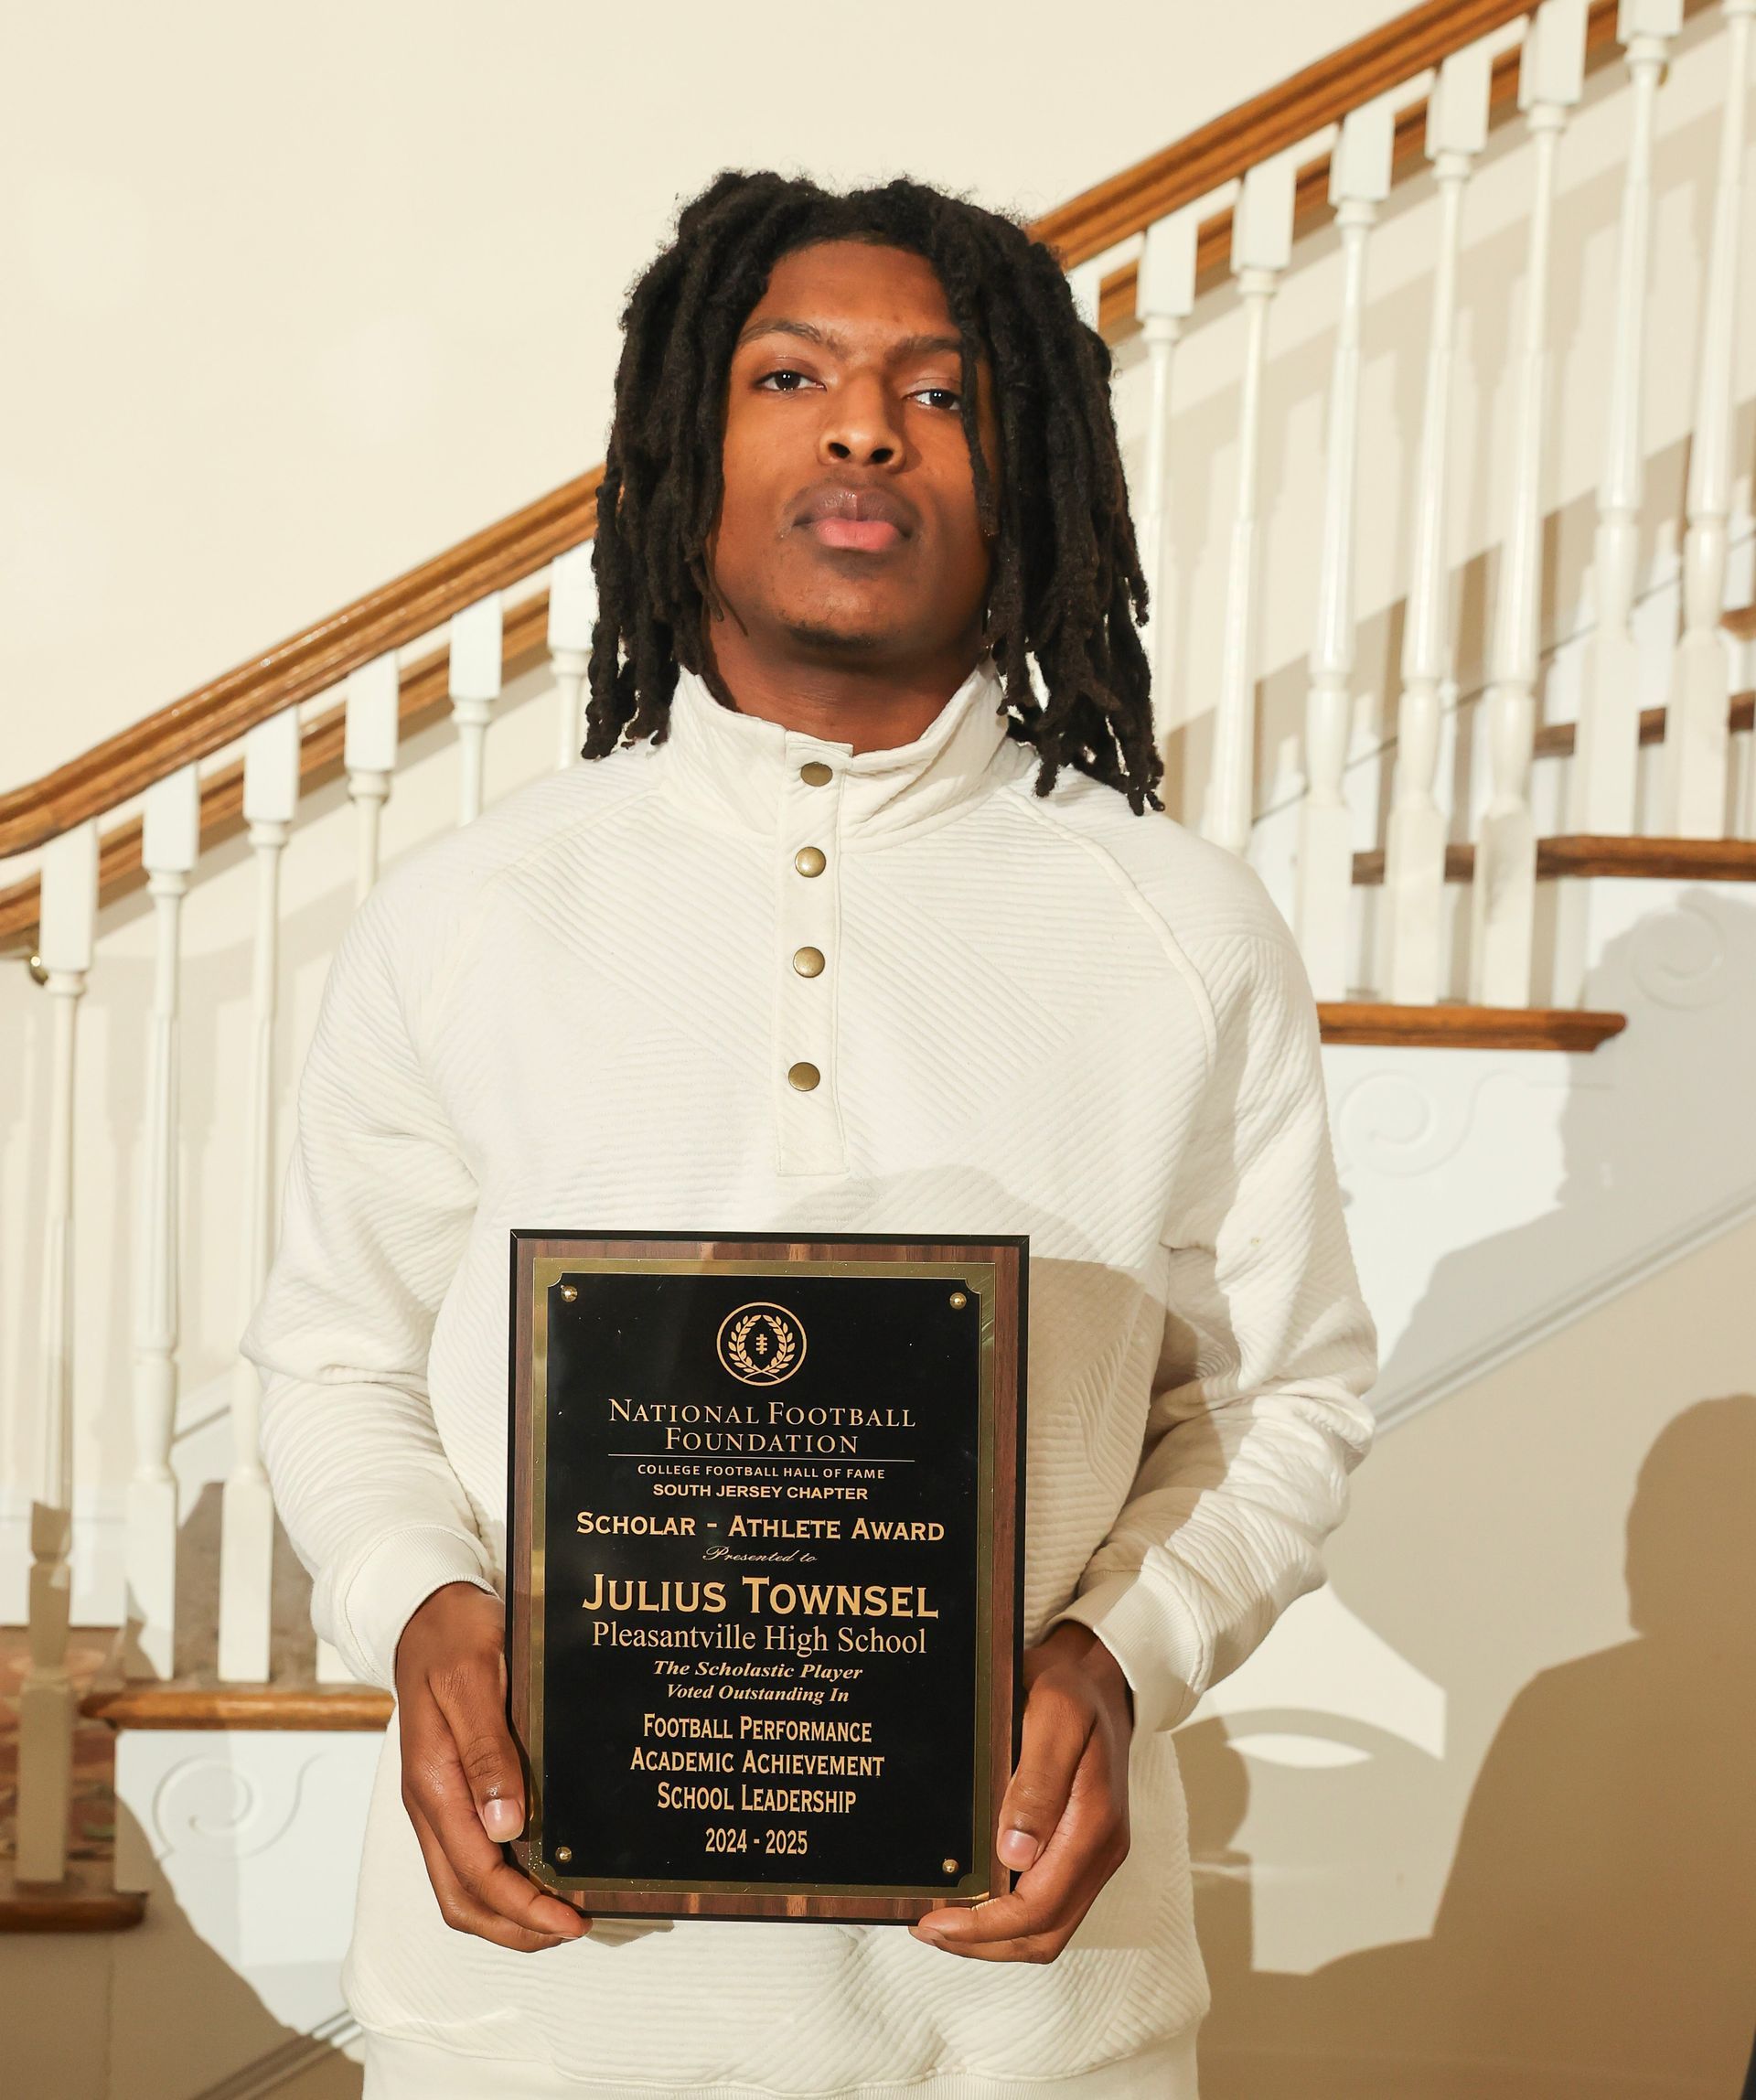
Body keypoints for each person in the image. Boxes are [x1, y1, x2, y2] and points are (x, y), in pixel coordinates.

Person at [243, 169, 1378, 2100]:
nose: (866, 423)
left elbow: (1282, 1398)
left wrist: (1126, 1651)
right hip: (534, 2019)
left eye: (942, 391)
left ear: (1028, 480)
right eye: (793, 374)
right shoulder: (469, 912)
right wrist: (419, 1607)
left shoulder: (1177, 924)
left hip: (1025, 2032)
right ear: (682, 454)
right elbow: (334, 1360)